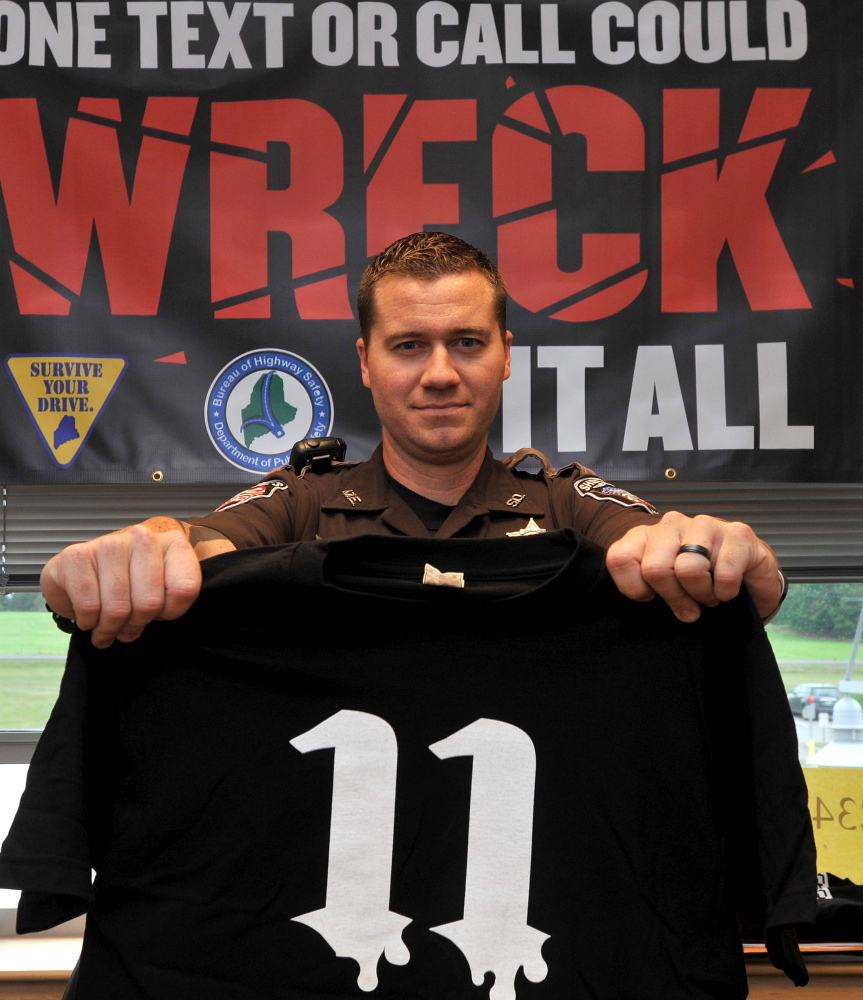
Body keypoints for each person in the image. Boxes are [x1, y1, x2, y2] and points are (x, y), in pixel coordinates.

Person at [41, 232, 786, 649]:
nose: (438, 374)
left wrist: (711, 551)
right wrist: (139, 549)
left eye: (465, 342)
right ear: (365, 363)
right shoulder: (302, 502)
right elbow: (196, 549)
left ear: (504, 356)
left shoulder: (564, 502)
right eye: (407, 347)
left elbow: (749, 587)